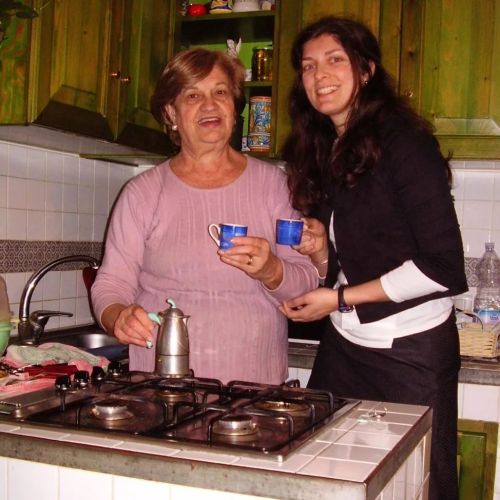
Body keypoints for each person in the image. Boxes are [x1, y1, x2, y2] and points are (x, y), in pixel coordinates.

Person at [279, 16, 467, 500]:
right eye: (307, 66)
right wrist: (322, 250)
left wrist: (337, 299)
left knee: (417, 484)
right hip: (344, 348)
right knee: (327, 477)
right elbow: (344, 265)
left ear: (366, 69)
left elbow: (441, 266)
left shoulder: (406, 144)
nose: (319, 74)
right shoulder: (327, 148)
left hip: (411, 352)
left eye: (334, 60)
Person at [91, 48, 318, 385]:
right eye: (193, 95)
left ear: (234, 106)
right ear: (171, 112)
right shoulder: (143, 193)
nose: (210, 105)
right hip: (163, 389)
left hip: (255, 391)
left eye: (221, 92)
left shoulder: (274, 186)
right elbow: (110, 285)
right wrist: (118, 316)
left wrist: (272, 270)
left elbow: (307, 282)